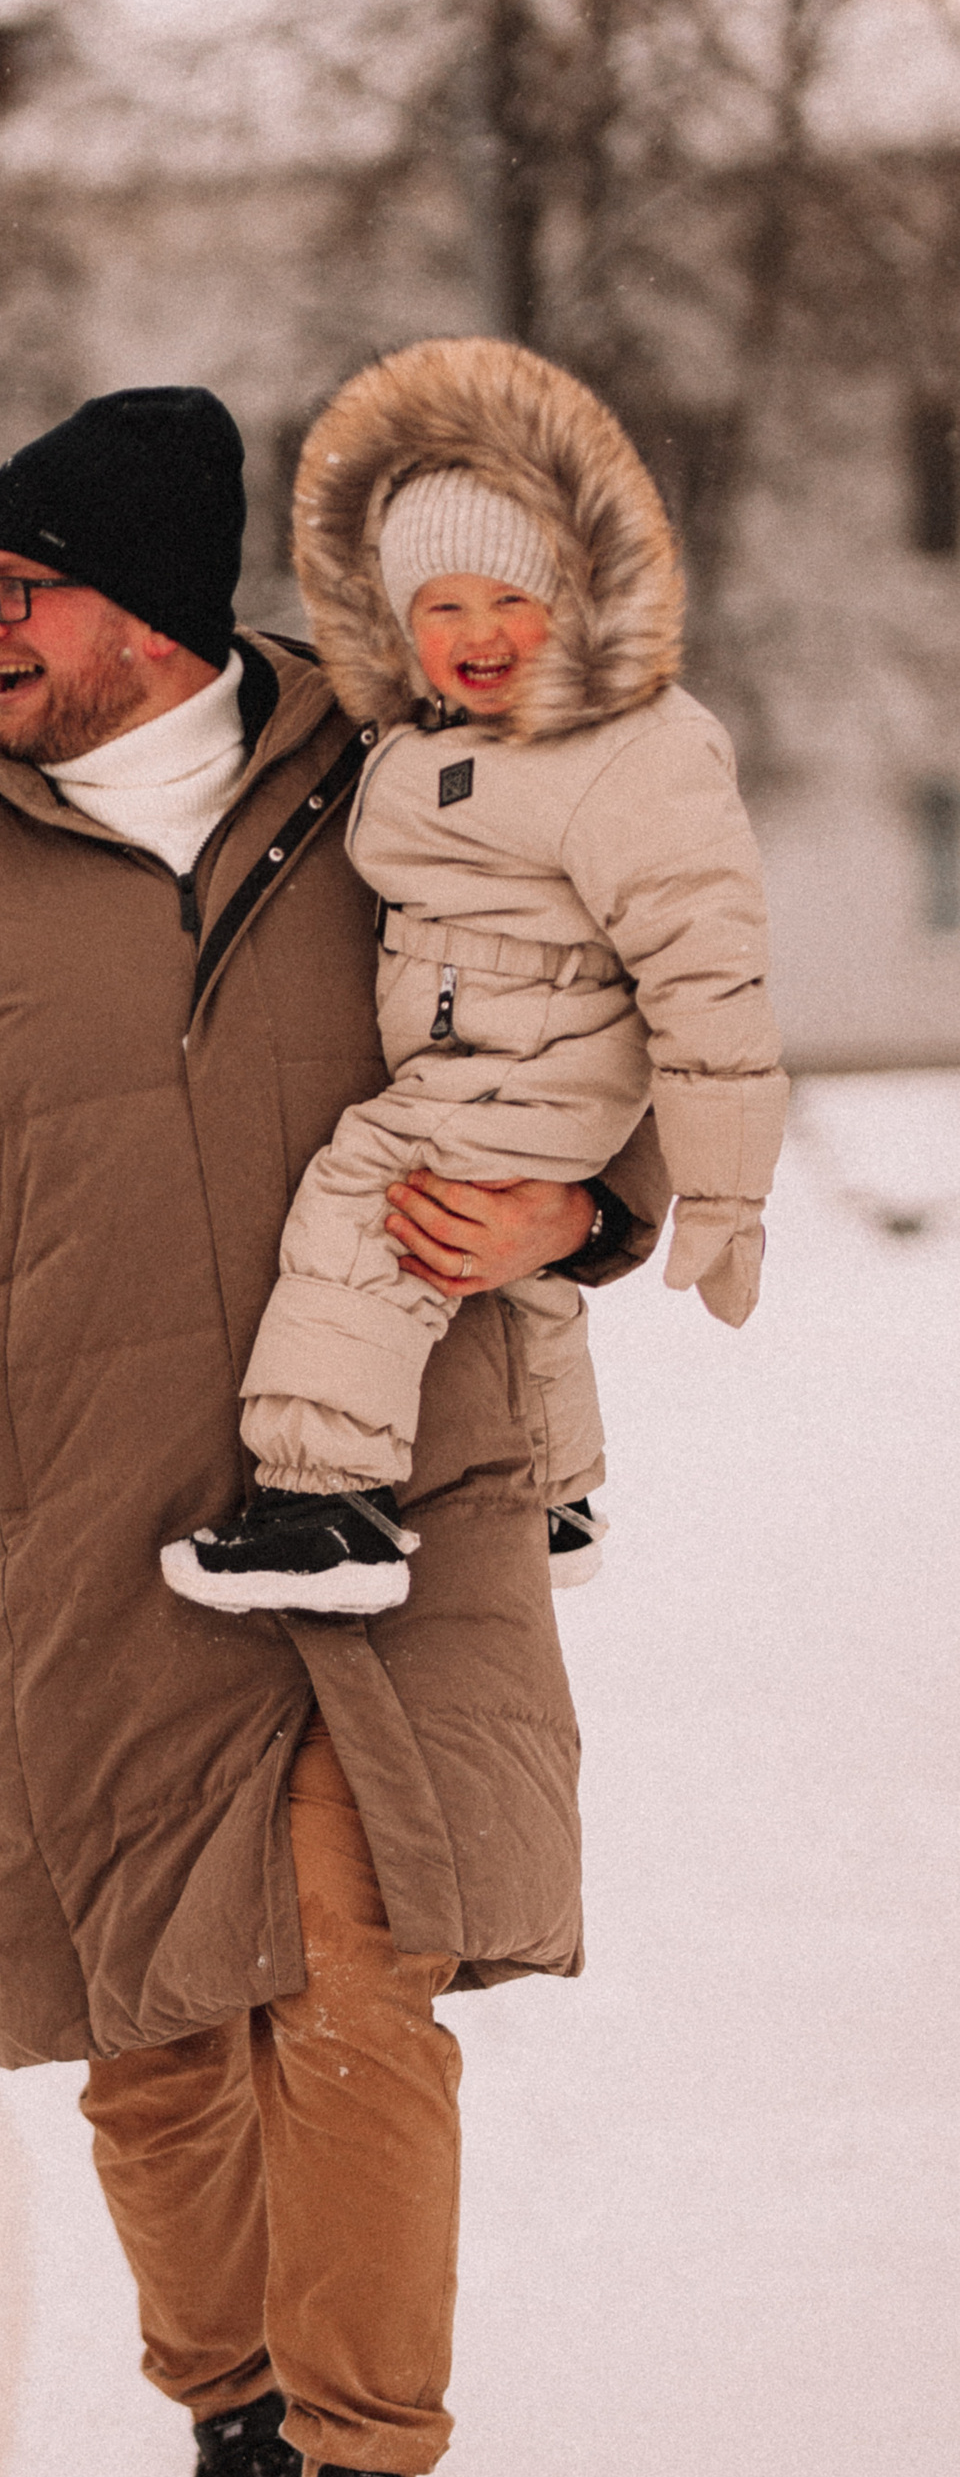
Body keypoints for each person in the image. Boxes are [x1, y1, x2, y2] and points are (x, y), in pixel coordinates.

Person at [0, 383, 667, 2477]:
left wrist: (587, 1200)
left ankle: (362, 2472)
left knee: (352, 1967)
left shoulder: (413, 804)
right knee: (154, 2028)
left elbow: (606, 1032)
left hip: (404, 1499)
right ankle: (219, 2388)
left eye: (15, 588)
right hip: (97, 1530)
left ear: (144, 604)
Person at [161, 337, 785, 1617]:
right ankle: (554, 1493)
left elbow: (710, 976)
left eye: (513, 600)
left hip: (548, 1055)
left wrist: (725, 1189)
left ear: (578, 599)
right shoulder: (425, 738)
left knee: (372, 1196)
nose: (479, 634)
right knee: (511, 1266)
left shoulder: (631, 748)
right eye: (440, 608)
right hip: (491, 1048)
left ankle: (325, 1498)